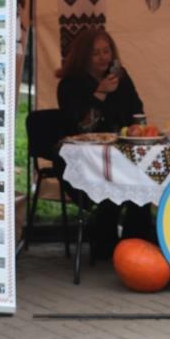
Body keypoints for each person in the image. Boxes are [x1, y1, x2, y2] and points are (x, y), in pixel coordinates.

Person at [56, 29, 151, 257]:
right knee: (116, 186)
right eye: (95, 53)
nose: (103, 58)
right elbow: (81, 127)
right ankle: (107, 243)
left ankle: (135, 247)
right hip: (84, 158)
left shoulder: (121, 77)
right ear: (83, 56)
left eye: (106, 51)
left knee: (142, 182)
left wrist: (138, 127)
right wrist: (100, 93)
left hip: (120, 150)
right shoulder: (70, 84)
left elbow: (137, 111)